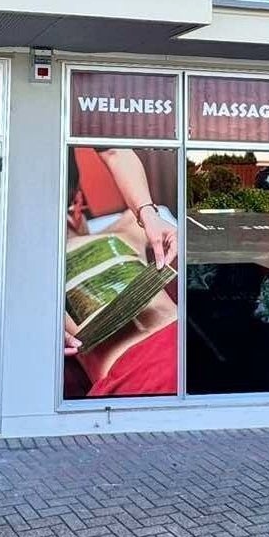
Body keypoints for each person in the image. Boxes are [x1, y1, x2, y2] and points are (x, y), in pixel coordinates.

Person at [63, 147, 179, 397]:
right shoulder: (126, 230)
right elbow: (116, 152)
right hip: (179, 344)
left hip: (129, 376)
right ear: (77, 206)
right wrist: (148, 214)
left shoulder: (28, 279)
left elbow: (115, 152)